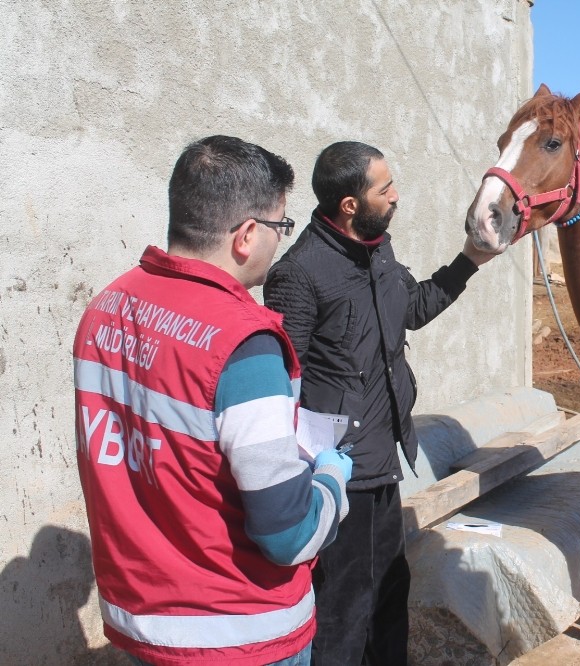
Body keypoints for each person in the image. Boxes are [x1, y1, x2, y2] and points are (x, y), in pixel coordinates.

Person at [73, 135, 354, 666]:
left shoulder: (104, 309)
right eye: (281, 227)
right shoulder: (244, 344)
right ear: (247, 235)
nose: (281, 241)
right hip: (240, 635)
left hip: (140, 627)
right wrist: (331, 481)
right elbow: (288, 535)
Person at [263, 141, 496, 665]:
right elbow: (283, 383)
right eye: (384, 187)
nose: (396, 196)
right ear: (350, 204)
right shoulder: (299, 274)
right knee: (347, 610)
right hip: (339, 473)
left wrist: (471, 260)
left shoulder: (377, 250)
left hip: (383, 459)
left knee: (389, 594)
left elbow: (411, 308)